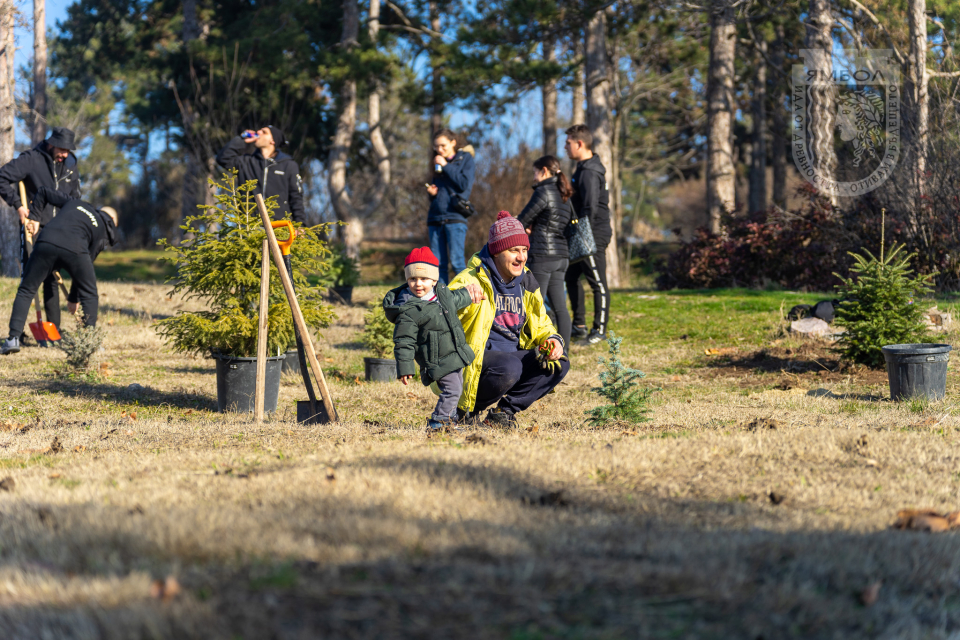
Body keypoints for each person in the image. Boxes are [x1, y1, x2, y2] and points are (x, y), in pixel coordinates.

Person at [449, 211, 569, 429]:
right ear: (496, 252)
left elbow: (541, 321)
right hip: (475, 360)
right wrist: (462, 296)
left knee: (559, 363)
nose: (521, 257)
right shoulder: (470, 279)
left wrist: (554, 340)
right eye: (514, 251)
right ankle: (464, 411)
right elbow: (440, 312)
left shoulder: (527, 280)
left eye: (524, 250)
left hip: (512, 357)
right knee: (509, 366)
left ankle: (502, 413)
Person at [2, 188, 118, 355]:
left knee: (27, 289)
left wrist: (35, 217)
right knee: (90, 294)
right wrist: (73, 298)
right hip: (76, 249)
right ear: (112, 220)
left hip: (47, 240)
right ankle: (90, 344)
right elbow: (85, 269)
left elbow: (43, 192)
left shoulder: (75, 203)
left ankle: (12, 339)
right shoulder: (101, 229)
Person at [383, 247, 484, 433]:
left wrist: (470, 295)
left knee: (456, 388)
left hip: (453, 353)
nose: (418, 284)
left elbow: (456, 299)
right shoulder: (409, 309)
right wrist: (405, 367)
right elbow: (403, 340)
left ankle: (450, 420)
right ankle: (438, 422)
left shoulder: (442, 294)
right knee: (452, 390)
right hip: (436, 358)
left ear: (434, 280)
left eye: (423, 279)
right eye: (412, 279)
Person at [0, 126, 82, 336]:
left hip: (60, 229)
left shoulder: (71, 163)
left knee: (53, 278)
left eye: (68, 150)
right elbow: (2, 178)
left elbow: (75, 196)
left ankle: (54, 328)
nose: (65, 154)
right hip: (34, 226)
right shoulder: (31, 159)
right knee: (30, 278)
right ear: (52, 143)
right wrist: (18, 205)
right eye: (62, 149)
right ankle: (17, 332)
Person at [517, 155, 573, 351]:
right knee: (560, 307)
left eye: (535, 172)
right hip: (561, 256)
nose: (534, 177)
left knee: (532, 304)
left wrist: (528, 227)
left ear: (544, 171)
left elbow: (522, 220)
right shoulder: (564, 193)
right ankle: (563, 350)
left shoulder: (543, 191)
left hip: (542, 256)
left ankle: (533, 348)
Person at [563, 124, 611, 345]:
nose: (565, 147)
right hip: (580, 233)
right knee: (570, 277)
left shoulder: (590, 172)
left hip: (590, 234)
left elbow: (590, 208)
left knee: (597, 283)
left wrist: (582, 237)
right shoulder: (582, 168)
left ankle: (599, 331)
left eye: (568, 142)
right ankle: (579, 326)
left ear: (579, 144)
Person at [216, 125, 305, 223]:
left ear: (273, 141)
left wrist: (300, 223)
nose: (258, 132)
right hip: (249, 226)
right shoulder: (246, 162)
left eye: (264, 132)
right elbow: (223, 158)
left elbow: (296, 197)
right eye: (259, 130)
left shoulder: (288, 165)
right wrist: (241, 139)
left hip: (279, 226)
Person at [425, 128, 475, 284]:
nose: (439, 150)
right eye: (436, 146)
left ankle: (467, 300)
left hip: (455, 218)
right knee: (438, 265)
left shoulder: (465, 159)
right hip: (435, 218)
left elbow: (463, 184)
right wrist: (431, 193)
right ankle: (442, 303)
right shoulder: (436, 163)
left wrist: (445, 165)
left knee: (457, 262)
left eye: (443, 145)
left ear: (453, 142)